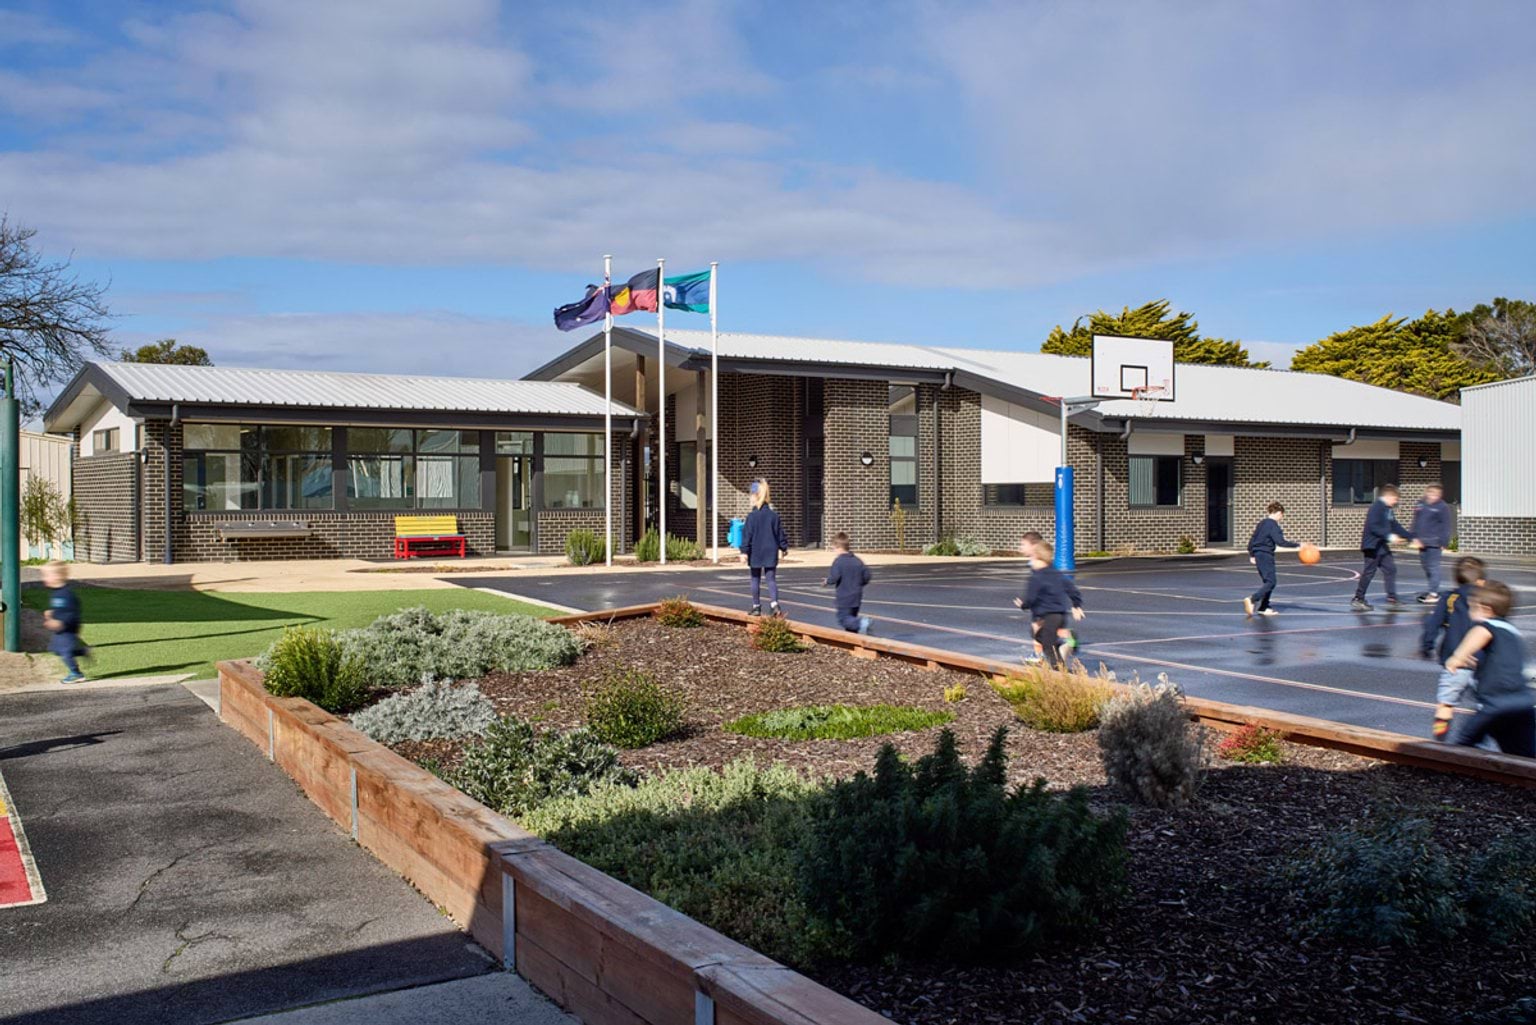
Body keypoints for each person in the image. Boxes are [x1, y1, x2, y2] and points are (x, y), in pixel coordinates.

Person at [1443, 581, 1534, 757]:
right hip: (1523, 704)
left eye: (1471, 607)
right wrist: (1480, 665)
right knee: (1524, 754)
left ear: (1485, 609)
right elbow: (1504, 663)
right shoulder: (1512, 631)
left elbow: (1481, 632)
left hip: (1494, 706)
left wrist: (1458, 656)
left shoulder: (1487, 626)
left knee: (1464, 746)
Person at [1423, 556, 1487, 741]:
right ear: (1481, 580)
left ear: (1456, 579)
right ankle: (1479, 741)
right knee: (1485, 704)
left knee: (1446, 704)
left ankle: (1440, 741)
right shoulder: (1484, 600)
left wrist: (1427, 644)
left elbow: (1433, 624)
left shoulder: (1449, 597)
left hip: (1453, 661)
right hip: (1481, 661)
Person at [1013, 540, 1084, 669]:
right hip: (1059, 616)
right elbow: (1072, 589)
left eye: (1032, 558)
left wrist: (1023, 605)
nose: (1031, 562)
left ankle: (1059, 671)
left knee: (1047, 644)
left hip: (1049, 615)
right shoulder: (1057, 574)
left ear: (1038, 558)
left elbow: (1031, 597)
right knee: (1038, 635)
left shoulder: (1036, 577)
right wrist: (1076, 605)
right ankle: (1059, 647)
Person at [1350, 484, 1420, 612]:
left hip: (1381, 545)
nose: (1396, 502)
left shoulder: (1388, 509)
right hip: (1372, 546)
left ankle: (1392, 598)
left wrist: (1410, 537)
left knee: (1390, 569)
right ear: (1389, 496)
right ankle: (1358, 598)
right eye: (1395, 499)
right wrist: (1390, 537)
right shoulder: (1376, 508)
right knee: (1369, 572)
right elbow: (1374, 527)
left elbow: (1394, 525)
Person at [740, 478, 789, 617]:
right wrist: (783, 547)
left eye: (750, 495)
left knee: (755, 578)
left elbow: (746, 536)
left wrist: (744, 551)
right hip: (770, 551)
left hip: (755, 552)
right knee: (771, 579)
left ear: (756, 496)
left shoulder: (751, 517)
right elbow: (780, 533)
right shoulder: (774, 516)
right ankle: (774, 604)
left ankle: (756, 606)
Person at [1244, 501, 1300, 618]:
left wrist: (1252, 554)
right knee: (1271, 582)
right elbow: (1281, 542)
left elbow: (1252, 539)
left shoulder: (1261, 523)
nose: (1282, 518)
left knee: (1267, 581)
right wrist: (1298, 545)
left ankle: (1264, 607)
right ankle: (1252, 599)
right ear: (1279, 513)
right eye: (1282, 515)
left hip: (1259, 554)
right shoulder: (1273, 525)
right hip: (1265, 555)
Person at [41, 560, 87, 683]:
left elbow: (71, 613)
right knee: (55, 649)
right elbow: (61, 609)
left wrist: (61, 623)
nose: (44, 578)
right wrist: (52, 613)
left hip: (68, 629)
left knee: (65, 652)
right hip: (60, 630)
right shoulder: (56, 593)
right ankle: (82, 651)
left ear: (57, 576)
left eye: (46, 575)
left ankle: (76, 673)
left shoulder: (66, 594)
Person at [1411, 483, 1452, 604]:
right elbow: (1415, 521)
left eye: (1437, 494)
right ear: (1427, 492)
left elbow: (1446, 525)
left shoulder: (1442, 507)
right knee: (1426, 566)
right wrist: (1413, 536)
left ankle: (1433, 593)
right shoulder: (1420, 504)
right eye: (1431, 493)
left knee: (1433, 567)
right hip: (1422, 542)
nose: (1434, 496)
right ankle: (1431, 588)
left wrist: (1444, 541)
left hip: (1435, 542)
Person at [824, 531, 871, 634]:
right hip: (856, 596)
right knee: (851, 618)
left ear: (838, 547)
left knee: (843, 619)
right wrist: (859, 583)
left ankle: (861, 623)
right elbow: (867, 575)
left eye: (834, 549)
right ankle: (854, 638)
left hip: (844, 596)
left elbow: (835, 577)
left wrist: (827, 581)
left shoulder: (838, 562)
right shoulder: (857, 561)